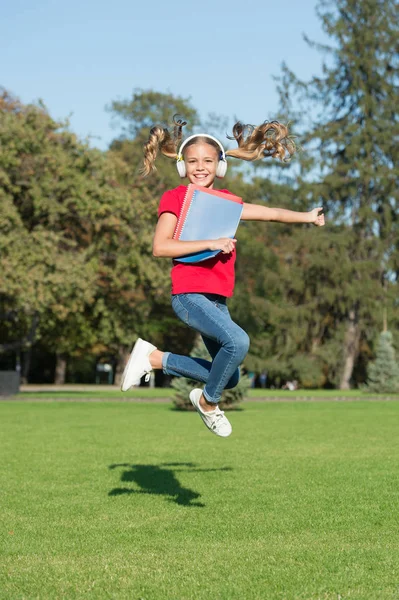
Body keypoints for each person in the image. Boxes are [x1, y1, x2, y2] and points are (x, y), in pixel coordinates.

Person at [120, 118, 325, 437]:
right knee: (239, 341)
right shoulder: (175, 198)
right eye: (192, 162)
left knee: (228, 377)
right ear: (182, 166)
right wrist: (212, 243)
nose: (200, 167)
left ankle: (156, 358)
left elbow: (271, 213)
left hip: (216, 302)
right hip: (189, 296)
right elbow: (160, 247)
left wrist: (308, 217)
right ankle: (208, 403)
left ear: (220, 165)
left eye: (207, 161)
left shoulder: (227, 204)